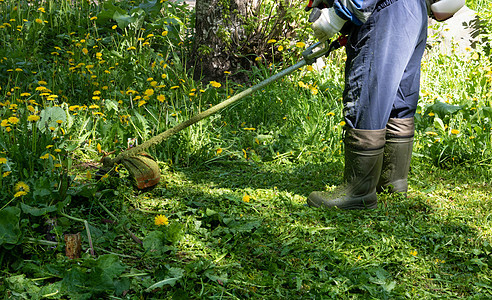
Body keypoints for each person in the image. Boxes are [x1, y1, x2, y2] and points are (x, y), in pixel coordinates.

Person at [305, 0, 464, 209]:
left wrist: (337, 15)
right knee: (399, 97)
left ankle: (358, 191)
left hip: (385, 12)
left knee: (367, 95)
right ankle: (393, 180)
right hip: (414, 11)